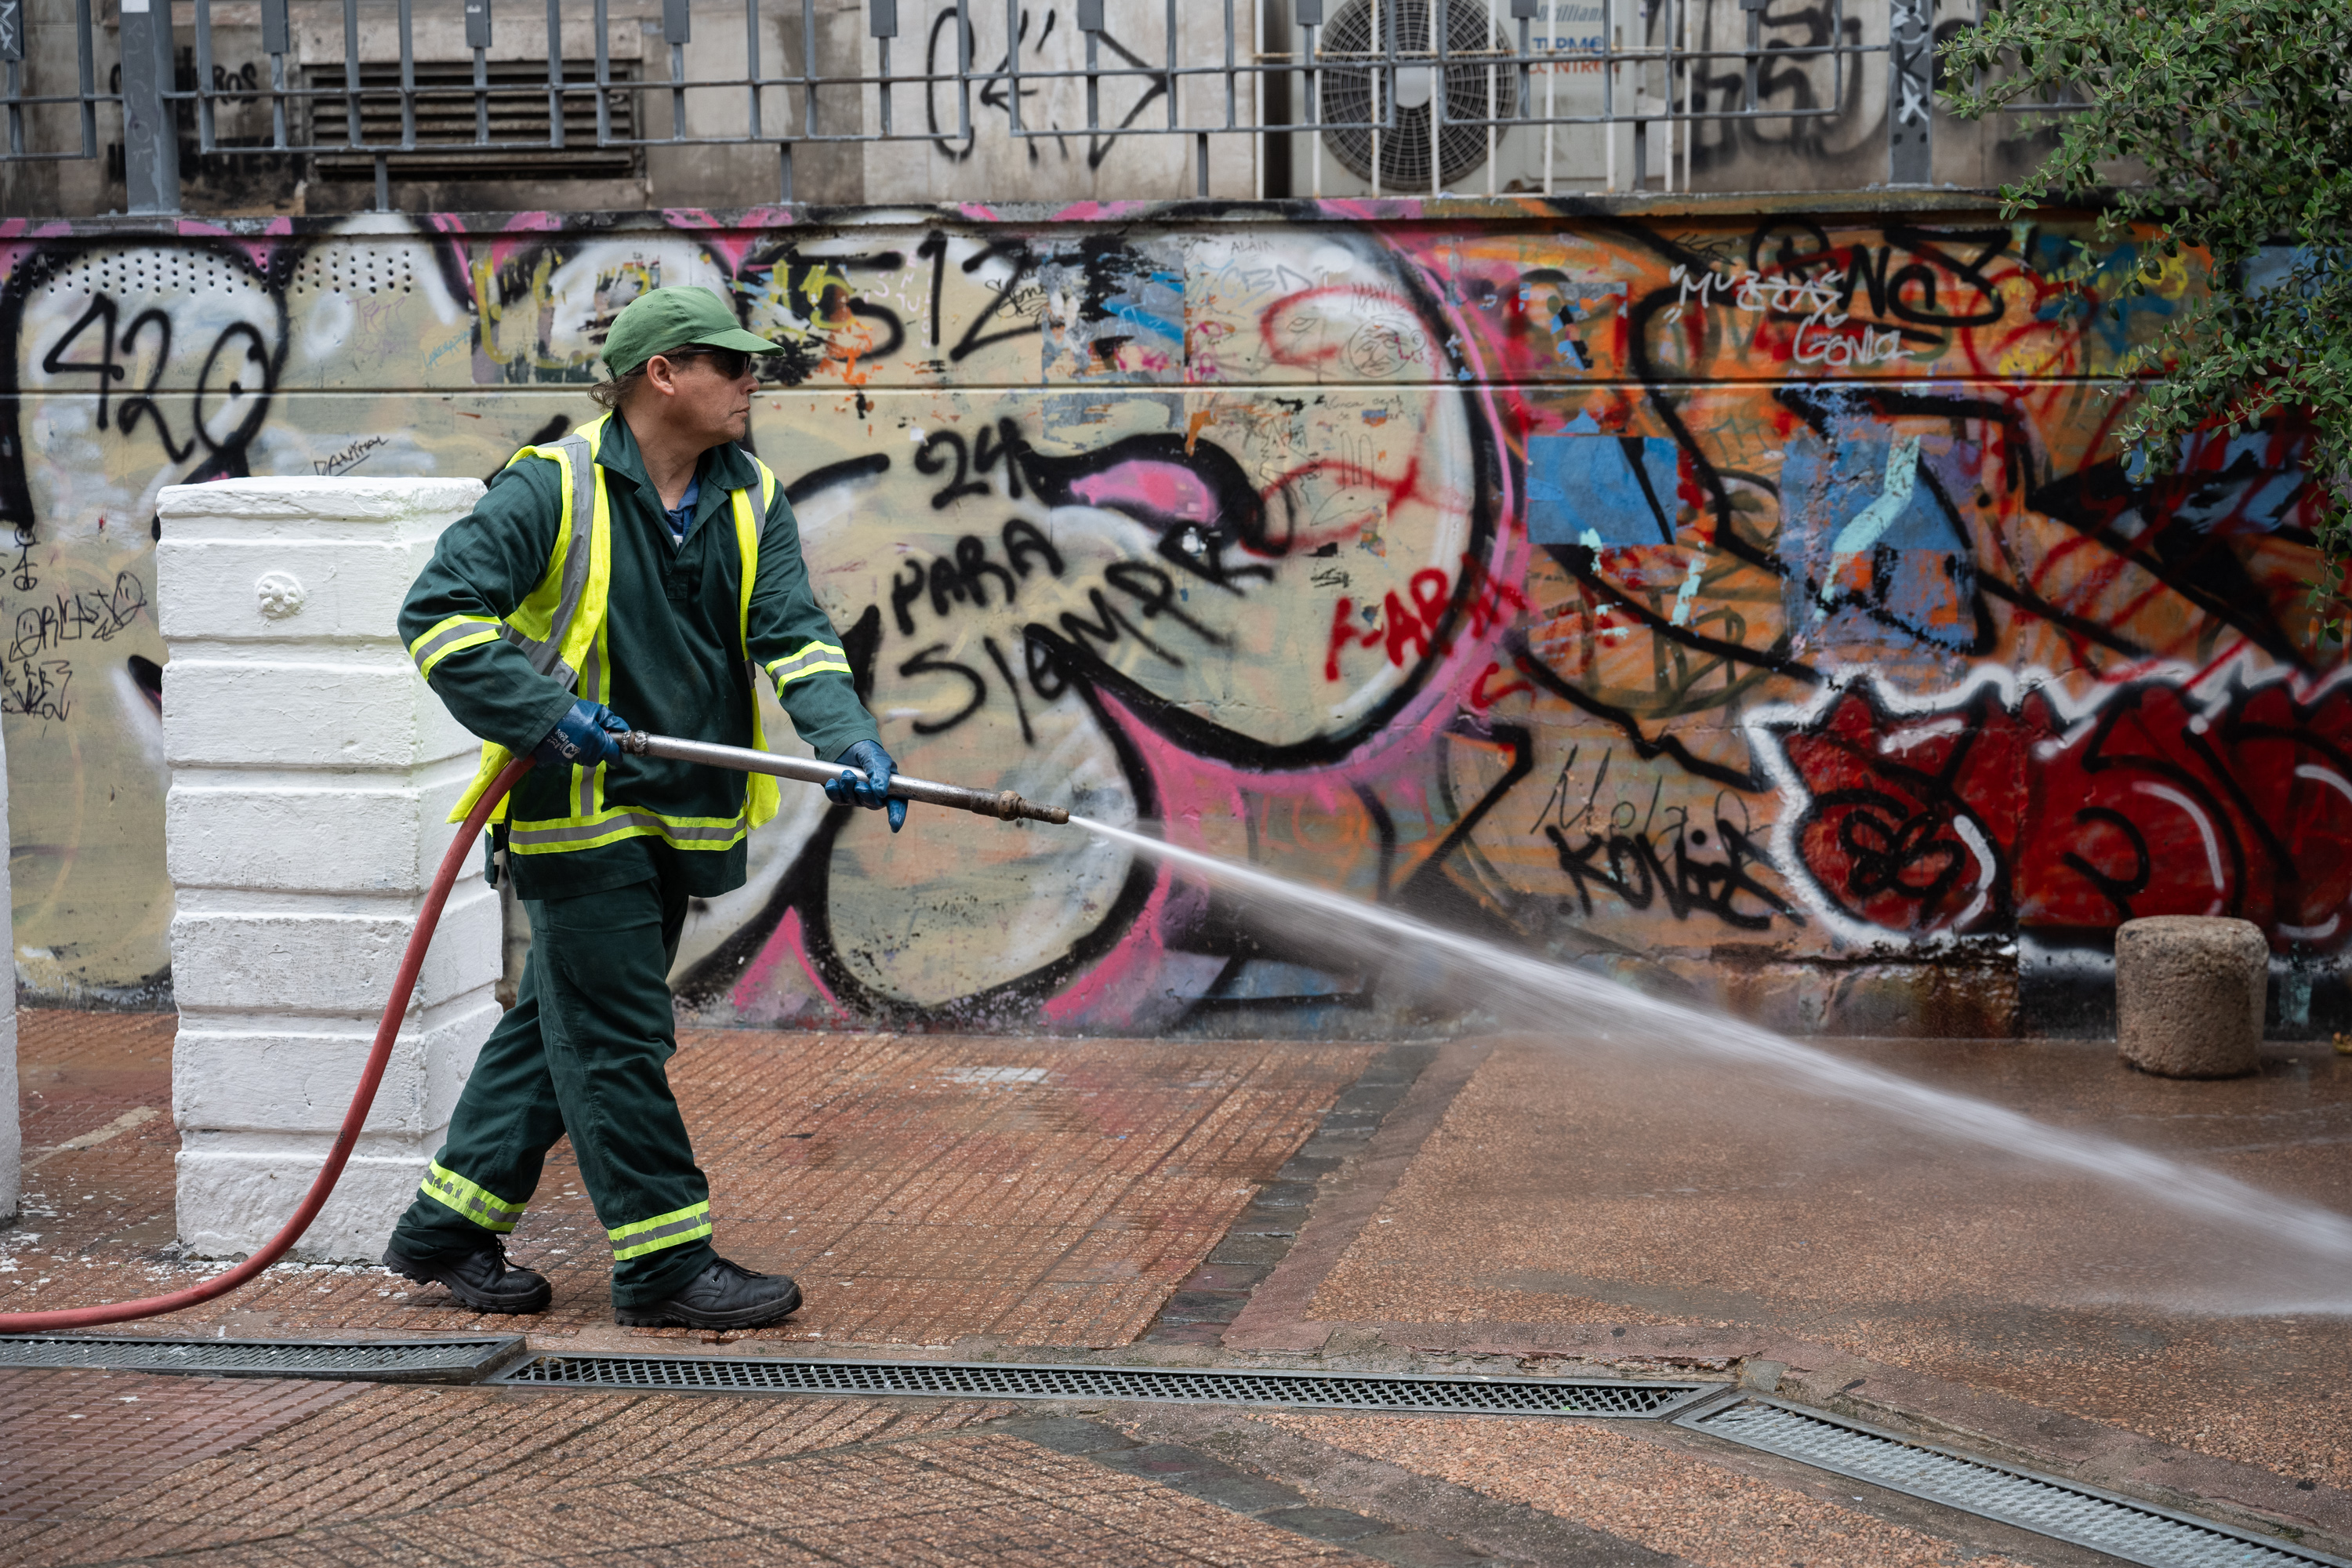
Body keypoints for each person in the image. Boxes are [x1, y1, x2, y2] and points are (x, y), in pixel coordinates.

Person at [380, 285, 904, 1329]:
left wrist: (845, 734)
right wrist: (541, 713)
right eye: (734, 363)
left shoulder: (750, 494)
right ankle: (664, 1262)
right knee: (619, 1033)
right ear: (664, 374)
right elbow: (438, 617)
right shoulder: (552, 489)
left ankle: (446, 1225)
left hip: (684, 811)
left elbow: (793, 635)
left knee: (560, 1021)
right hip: (576, 811)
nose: (753, 380)